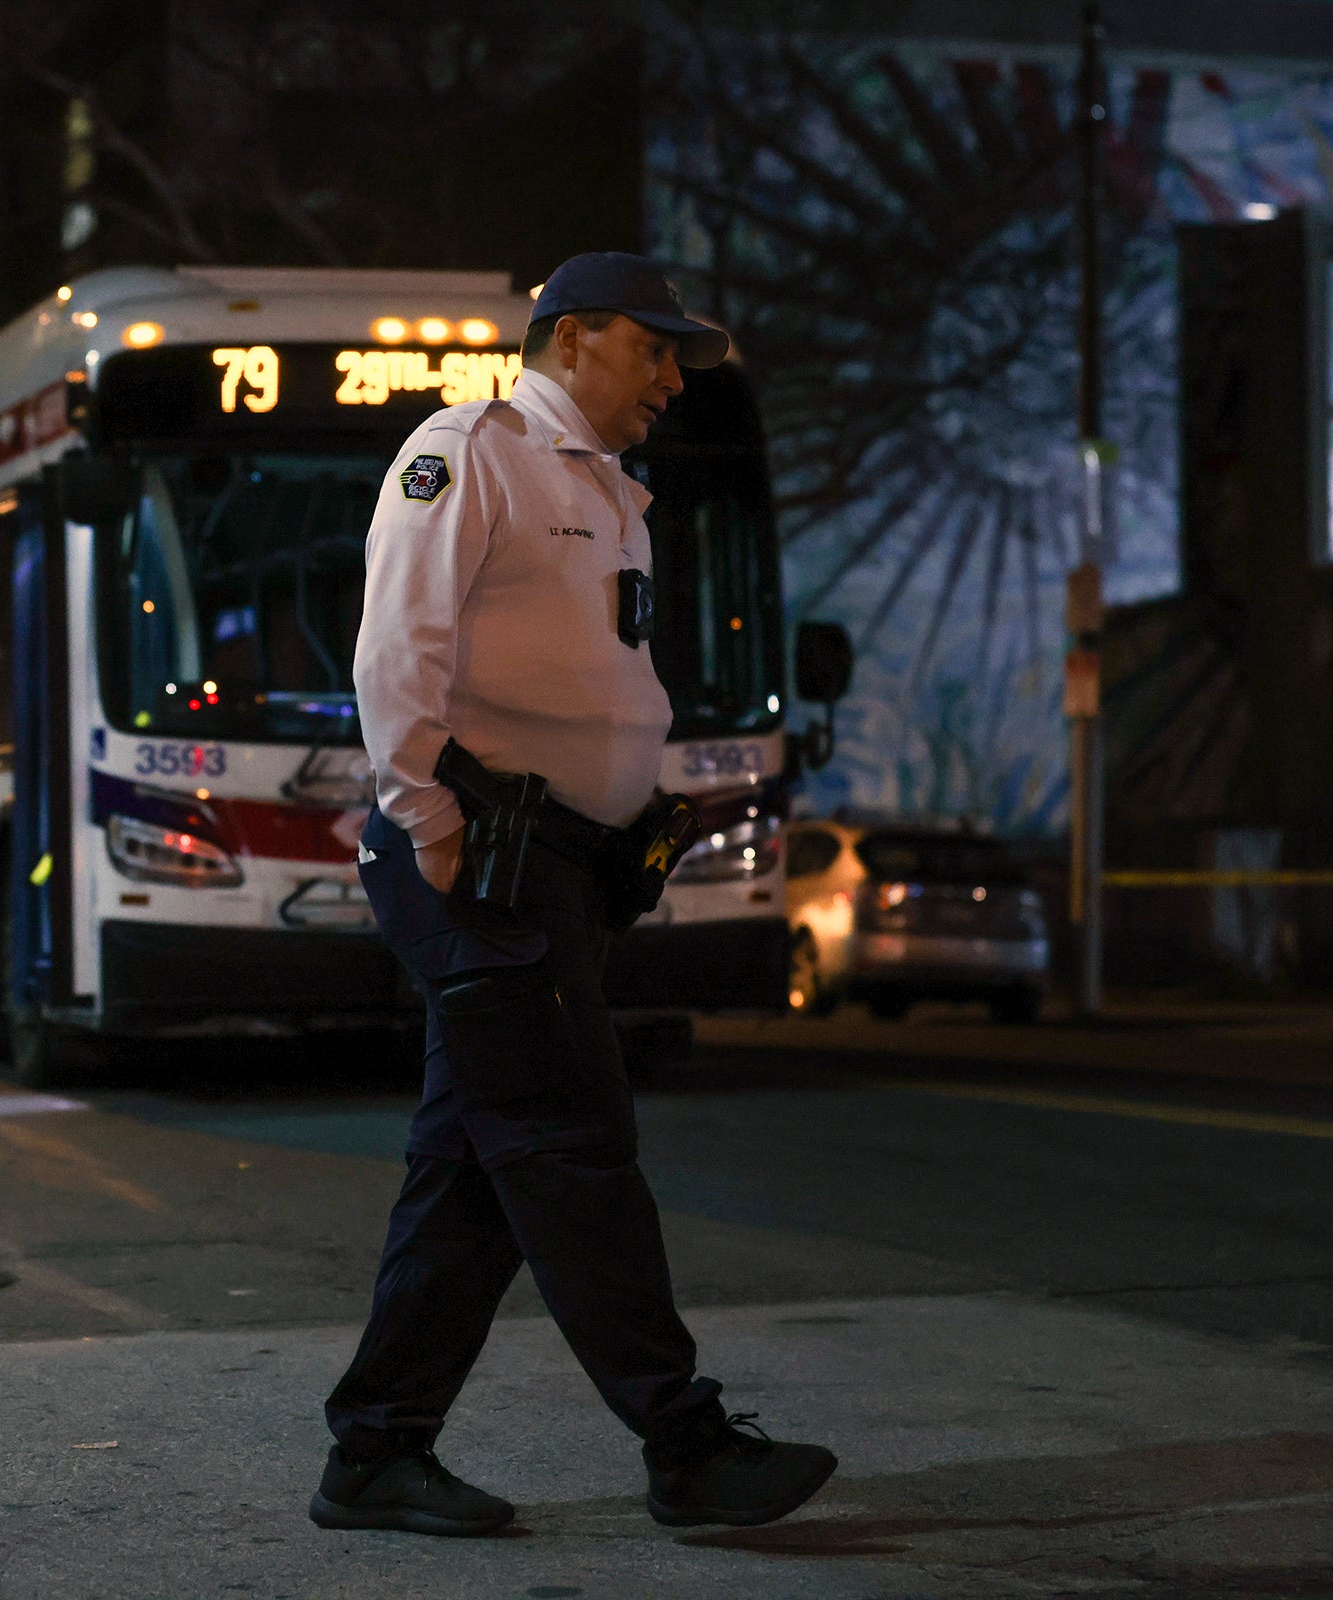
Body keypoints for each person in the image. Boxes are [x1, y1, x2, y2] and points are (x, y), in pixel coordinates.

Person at [310, 253, 836, 1536]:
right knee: (572, 1145)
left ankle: (376, 1453)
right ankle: (685, 1441)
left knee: (478, 1176)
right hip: (482, 858)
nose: (671, 377)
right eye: (654, 348)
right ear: (576, 335)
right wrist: (431, 822)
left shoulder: (609, 489)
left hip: (556, 869)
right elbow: (398, 650)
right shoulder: (470, 452)